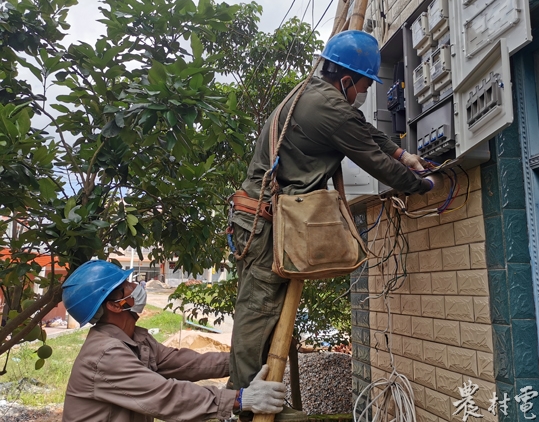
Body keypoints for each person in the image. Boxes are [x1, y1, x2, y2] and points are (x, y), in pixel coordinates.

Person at [228, 30, 442, 421]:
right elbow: (372, 159)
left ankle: (262, 400)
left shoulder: (313, 92)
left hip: (261, 217)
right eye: (363, 85)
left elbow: (363, 130)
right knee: (258, 311)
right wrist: (423, 183)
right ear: (347, 79)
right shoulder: (328, 108)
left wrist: (402, 153)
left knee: (266, 311)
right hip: (262, 221)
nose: (363, 92)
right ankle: (243, 403)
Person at [61, 260, 286, 422]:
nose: (136, 286)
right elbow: (166, 396)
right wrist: (241, 399)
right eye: (126, 285)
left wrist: (245, 358)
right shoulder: (105, 355)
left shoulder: (136, 339)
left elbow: (184, 363)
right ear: (115, 305)